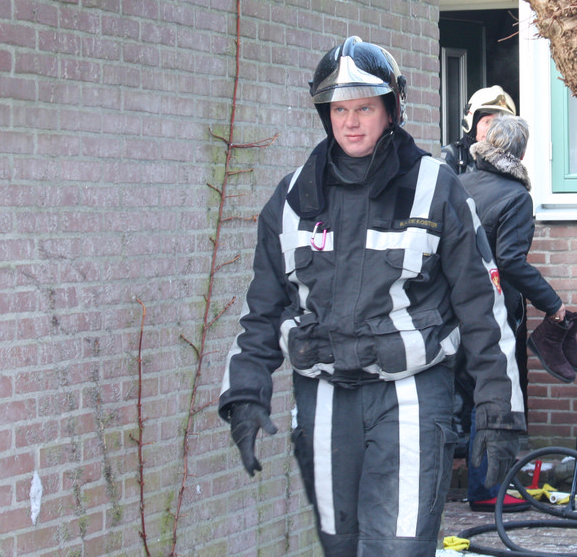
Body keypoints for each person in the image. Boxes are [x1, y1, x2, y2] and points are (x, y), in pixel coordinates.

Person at [219, 37, 526, 557]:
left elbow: (483, 309)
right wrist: (246, 393)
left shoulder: (437, 189)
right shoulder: (292, 198)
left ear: (391, 109)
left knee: (398, 548)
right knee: (342, 547)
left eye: (364, 108)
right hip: (323, 397)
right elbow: (263, 308)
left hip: (411, 394)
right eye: (339, 109)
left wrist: (499, 412)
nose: (351, 123)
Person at [455, 114, 577, 511]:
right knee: (493, 396)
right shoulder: (516, 196)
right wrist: (553, 304)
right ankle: (486, 491)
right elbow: (511, 262)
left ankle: (460, 483)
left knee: (458, 394)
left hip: (449, 308)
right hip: (490, 310)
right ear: (521, 152)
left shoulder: (459, 184)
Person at [440, 85, 517, 174]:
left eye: (497, 124)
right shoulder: (450, 156)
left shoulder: (509, 162)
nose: (492, 130)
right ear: (473, 124)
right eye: (487, 122)